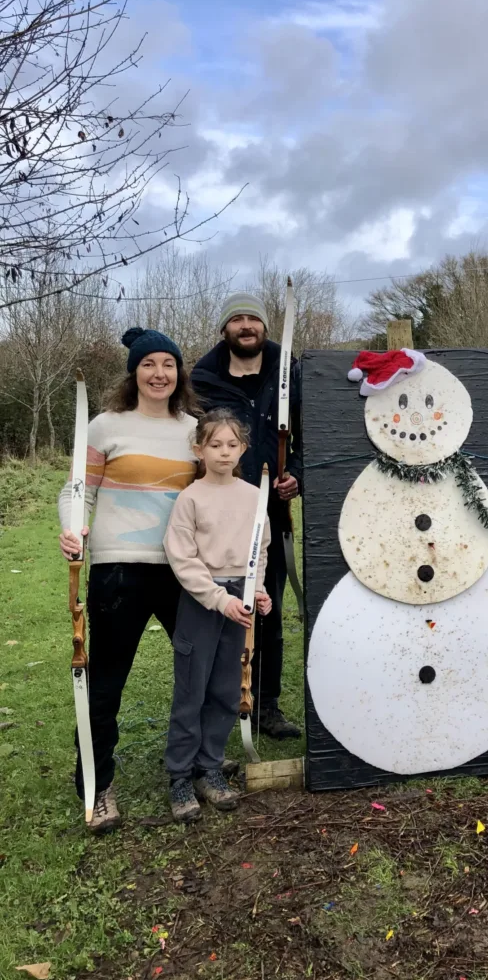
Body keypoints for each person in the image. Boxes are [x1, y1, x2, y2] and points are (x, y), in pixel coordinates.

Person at [58, 327, 198, 833]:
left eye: (168, 364)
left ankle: (196, 766)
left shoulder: (193, 430)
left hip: (183, 569)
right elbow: (78, 490)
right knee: (107, 682)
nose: (160, 373)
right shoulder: (105, 425)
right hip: (119, 569)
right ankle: (96, 784)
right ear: (134, 372)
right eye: (149, 364)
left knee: (198, 671)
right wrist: (73, 527)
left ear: (180, 372)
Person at [190, 292, 302, 740]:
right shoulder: (202, 380)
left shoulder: (289, 373)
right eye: (236, 319)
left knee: (266, 608)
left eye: (252, 318)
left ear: (265, 327)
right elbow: (192, 440)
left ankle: (266, 706)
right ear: (225, 330)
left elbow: (306, 435)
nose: (245, 325)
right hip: (220, 510)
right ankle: (221, 701)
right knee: (218, 606)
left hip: (270, 511)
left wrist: (295, 473)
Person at [162, 410, 273, 822]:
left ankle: (210, 766)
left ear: (242, 448)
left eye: (231, 445)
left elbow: (258, 551)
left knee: (227, 688)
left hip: (239, 602)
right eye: (214, 445)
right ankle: (179, 773)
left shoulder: (251, 497)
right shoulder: (191, 498)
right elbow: (182, 557)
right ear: (199, 450)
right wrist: (216, 597)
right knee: (192, 689)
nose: (224, 453)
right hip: (201, 601)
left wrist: (256, 590)